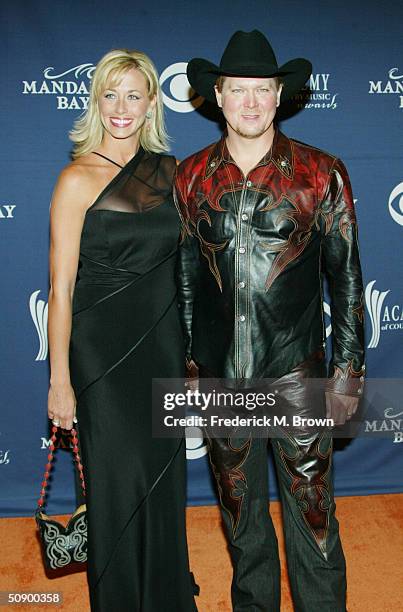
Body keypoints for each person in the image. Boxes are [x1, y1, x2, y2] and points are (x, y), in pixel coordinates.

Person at [174, 30, 365, 611]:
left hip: (297, 376)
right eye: (239, 90)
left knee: (314, 523)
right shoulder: (190, 178)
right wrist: (186, 366)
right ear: (218, 97)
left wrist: (348, 373)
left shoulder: (320, 173)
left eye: (262, 89)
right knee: (241, 523)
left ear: (279, 96)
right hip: (218, 380)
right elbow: (184, 281)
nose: (251, 102)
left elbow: (348, 279)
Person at [47, 49, 198, 611]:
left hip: (160, 345)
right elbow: (61, 289)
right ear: (95, 101)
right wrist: (60, 381)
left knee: (162, 482)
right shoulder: (76, 178)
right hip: (100, 355)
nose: (121, 107)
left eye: (134, 95)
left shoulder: (173, 174)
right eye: (110, 94)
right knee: (113, 483)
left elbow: (192, 269)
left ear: (152, 103)